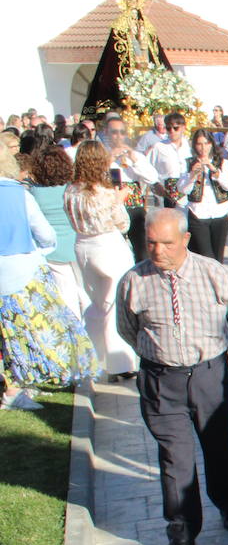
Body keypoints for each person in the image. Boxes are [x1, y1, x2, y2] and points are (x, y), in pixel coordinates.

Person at [114, 208, 228, 545]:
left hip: (210, 376)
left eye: (167, 244)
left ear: (186, 240)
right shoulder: (133, 281)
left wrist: (220, 352)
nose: (158, 251)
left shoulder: (214, 274)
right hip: (162, 380)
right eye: (151, 243)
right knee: (175, 458)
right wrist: (157, 354)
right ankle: (182, 531)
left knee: (218, 444)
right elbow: (127, 328)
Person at [0, 144, 95, 407]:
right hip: (21, 271)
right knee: (29, 331)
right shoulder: (21, 195)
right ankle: (16, 389)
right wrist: (40, 252)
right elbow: (45, 234)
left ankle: (14, 386)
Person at [65, 140, 139, 378]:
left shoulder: (70, 190)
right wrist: (119, 199)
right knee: (115, 305)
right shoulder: (104, 193)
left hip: (82, 245)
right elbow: (123, 223)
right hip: (107, 246)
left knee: (96, 305)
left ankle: (92, 359)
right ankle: (120, 363)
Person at [26, 146, 84, 317]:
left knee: (67, 297)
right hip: (77, 243)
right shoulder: (74, 188)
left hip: (53, 250)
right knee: (86, 292)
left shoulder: (33, 192)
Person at [102, 116, 157, 260]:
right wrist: (109, 160)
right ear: (106, 133)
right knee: (115, 252)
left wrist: (134, 159)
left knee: (142, 251)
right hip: (111, 207)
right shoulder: (102, 156)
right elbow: (95, 179)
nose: (118, 136)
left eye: (122, 132)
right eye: (114, 132)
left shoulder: (135, 155)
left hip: (134, 206)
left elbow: (152, 177)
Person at [176, 128, 228, 263]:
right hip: (198, 214)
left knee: (218, 257)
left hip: (219, 213)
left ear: (211, 144)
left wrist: (215, 171)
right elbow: (183, 189)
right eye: (199, 144)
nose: (203, 148)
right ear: (194, 145)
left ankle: (217, 283)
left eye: (206, 143)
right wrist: (192, 175)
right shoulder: (188, 163)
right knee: (205, 256)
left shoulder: (221, 162)